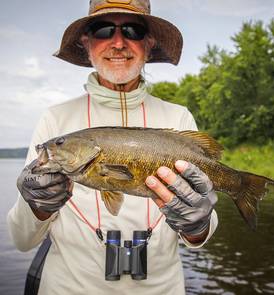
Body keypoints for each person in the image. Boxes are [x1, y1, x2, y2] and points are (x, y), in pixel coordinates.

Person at [7, 1, 218, 294]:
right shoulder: (55, 120)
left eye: (133, 29)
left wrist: (199, 225)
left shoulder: (178, 117)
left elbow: (200, 235)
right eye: (103, 29)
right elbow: (21, 239)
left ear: (149, 42)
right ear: (86, 41)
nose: (118, 42)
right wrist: (36, 206)